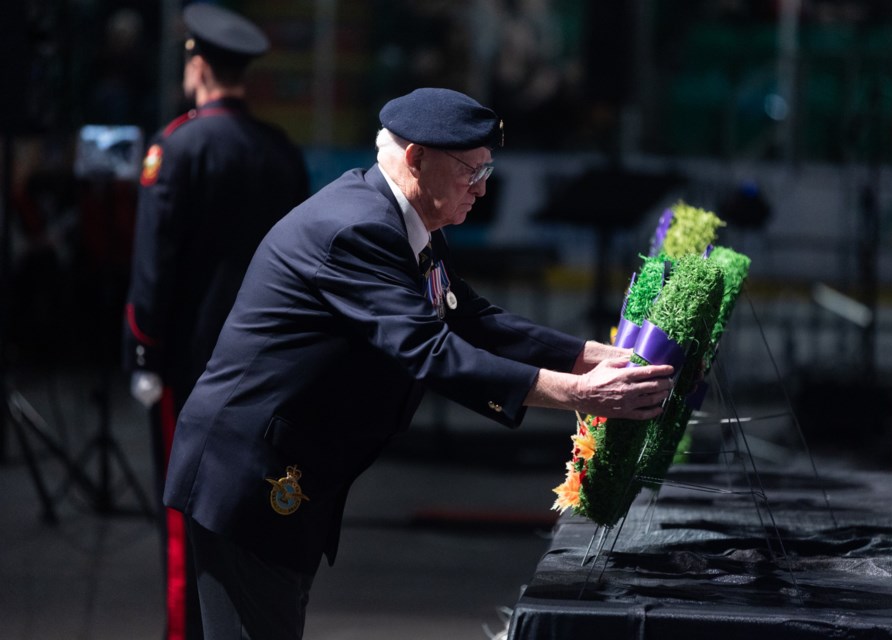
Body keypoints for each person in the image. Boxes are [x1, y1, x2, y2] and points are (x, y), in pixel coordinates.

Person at [162, 87, 674, 639]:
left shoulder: (404, 219)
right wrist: (580, 394)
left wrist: (591, 356)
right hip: (245, 473)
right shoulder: (358, 229)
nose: (483, 189)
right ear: (416, 158)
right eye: (471, 171)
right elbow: (430, 350)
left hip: (285, 465)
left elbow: (470, 317)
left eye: (487, 170)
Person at [122, 5, 310, 640]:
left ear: (197, 65)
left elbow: (154, 269)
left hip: (190, 365)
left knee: (184, 516)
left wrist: (144, 354)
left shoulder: (175, 146)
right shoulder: (278, 151)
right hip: (269, 368)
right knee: (257, 514)